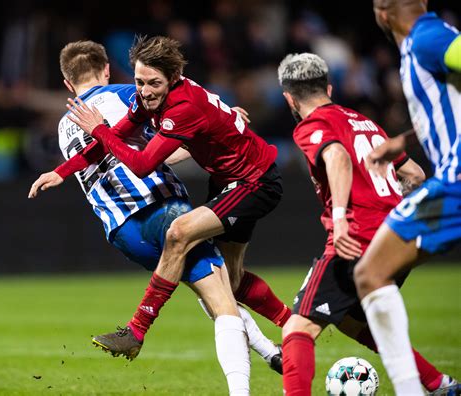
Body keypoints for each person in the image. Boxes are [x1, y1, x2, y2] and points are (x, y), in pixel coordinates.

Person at [28, 40, 281, 396]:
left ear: (68, 84)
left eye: (148, 83)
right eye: (139, 82)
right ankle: (256, 370)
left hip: (120, 230)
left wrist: (62, 171)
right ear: (107, 71)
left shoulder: (65, 125)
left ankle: (272, 352)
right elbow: (154, 157)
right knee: (221, 295)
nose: (143, 90)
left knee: (210, 288)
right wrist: (222, 121)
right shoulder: (124, 96)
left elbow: (110, 148)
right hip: (160, 208)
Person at [277, 52, 457, 395]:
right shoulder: (364, 121)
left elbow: (338, 158)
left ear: (289, 98)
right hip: (395, 239)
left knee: (297, 328)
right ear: (328, 87)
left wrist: (343, 217)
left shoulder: (312, 125)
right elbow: (415, 175)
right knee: (350, 320)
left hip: (355, 238)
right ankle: (439, 384)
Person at [353, 1, 461, 395]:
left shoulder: (428, 39)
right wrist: (403, 141)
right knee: (371, 274)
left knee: (369, 273)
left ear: (381, 11)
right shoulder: (425, 42)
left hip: (455, 180)